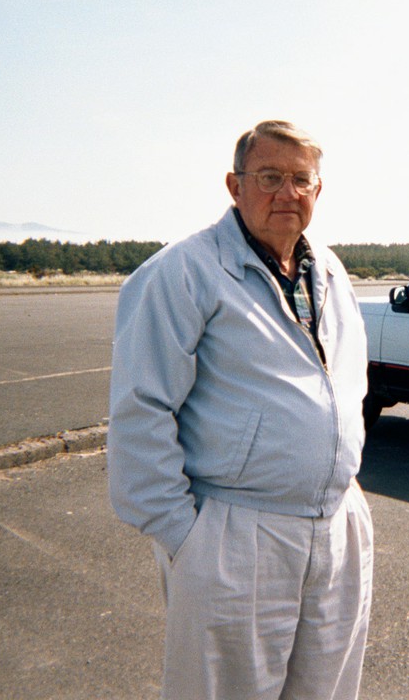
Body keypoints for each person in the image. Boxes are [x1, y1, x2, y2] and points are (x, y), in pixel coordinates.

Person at [107, 120, 373, 700]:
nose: (288, 193)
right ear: (234, 185)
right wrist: (188, 539)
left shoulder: (328, 272)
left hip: (336, 530)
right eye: (270, 177)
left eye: (301, 179)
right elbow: (140, 412)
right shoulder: (182, 274)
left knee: (325, 690)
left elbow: (348, 386)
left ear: (318, 191)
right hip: (237, 536)